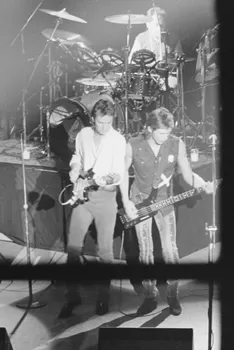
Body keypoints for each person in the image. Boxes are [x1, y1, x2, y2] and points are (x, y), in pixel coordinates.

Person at [119, 108, 214, 316]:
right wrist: (126, 201)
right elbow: (122, 172)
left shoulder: (176, 143)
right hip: (139, 203)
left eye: (168, 132)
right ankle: (150, 296)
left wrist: (203, 184)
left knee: (171, 252)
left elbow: (188, 175)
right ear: (150, 128)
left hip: (165, 203)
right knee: (146, 253)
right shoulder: (133, 144)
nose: (165, 137)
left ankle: (172, 295)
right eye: (161, 133)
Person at [58, 99, 127, 318]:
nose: (104, 127)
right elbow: (77, 156)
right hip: (83, 199)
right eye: (100, 122)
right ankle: (72, 296)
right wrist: (75, 169)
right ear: (93, 119)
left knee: (105, 251)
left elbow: (116, 174)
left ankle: (103, 299)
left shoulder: (118, 140)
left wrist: (92, 180)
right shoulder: (84, 135)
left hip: (106, 198)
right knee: (73, 247)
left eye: (108, 122)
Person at [129, 7, 183, 92]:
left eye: (162, 26)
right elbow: (131, 62)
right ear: (148, 24)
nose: (159, 29)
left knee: (174, 83)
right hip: (146, 78)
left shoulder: (173, 39)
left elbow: (180, 62)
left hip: (167, 76)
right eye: (156, 25)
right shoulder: (141, 38)